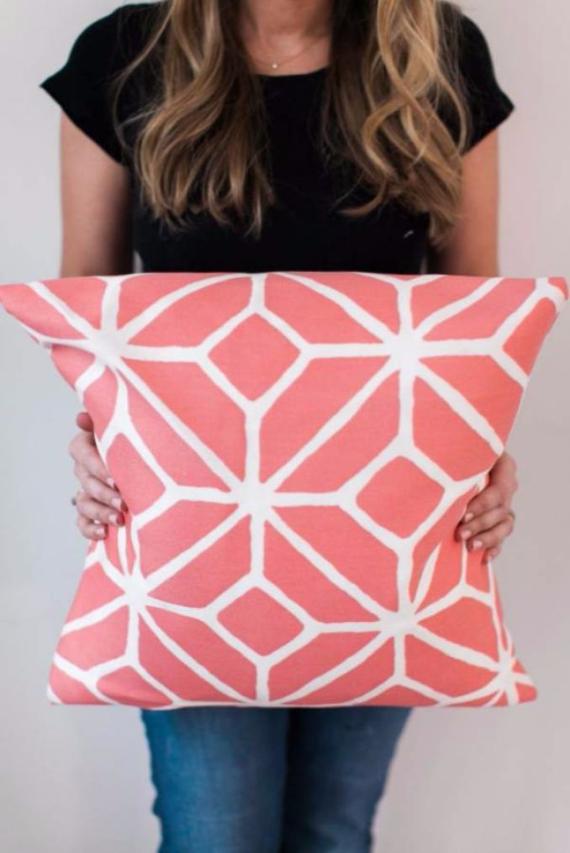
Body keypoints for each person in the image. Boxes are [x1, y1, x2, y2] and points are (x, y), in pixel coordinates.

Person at [39, 1, 519, 850]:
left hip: (390, 531)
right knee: (214, 833)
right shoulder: (125, 53)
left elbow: (473, 319)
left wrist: (486, 460)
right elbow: (86, 308)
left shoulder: (435, 51)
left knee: (335, 832)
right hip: (191, 539)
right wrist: (92, 442)